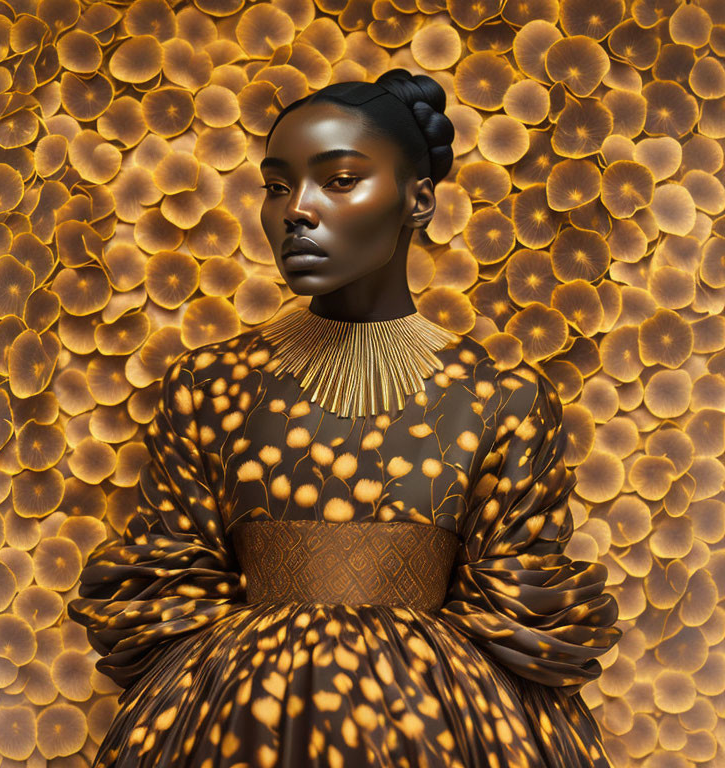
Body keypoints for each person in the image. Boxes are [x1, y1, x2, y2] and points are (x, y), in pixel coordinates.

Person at [68, 68, 622, 768]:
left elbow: (520, 613)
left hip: (445, 732)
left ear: (418, 200)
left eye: (337, 180)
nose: (295, 210)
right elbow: (166, 590)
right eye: (276, 185)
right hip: (231, 726)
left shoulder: (505, 397)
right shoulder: (208, 386)